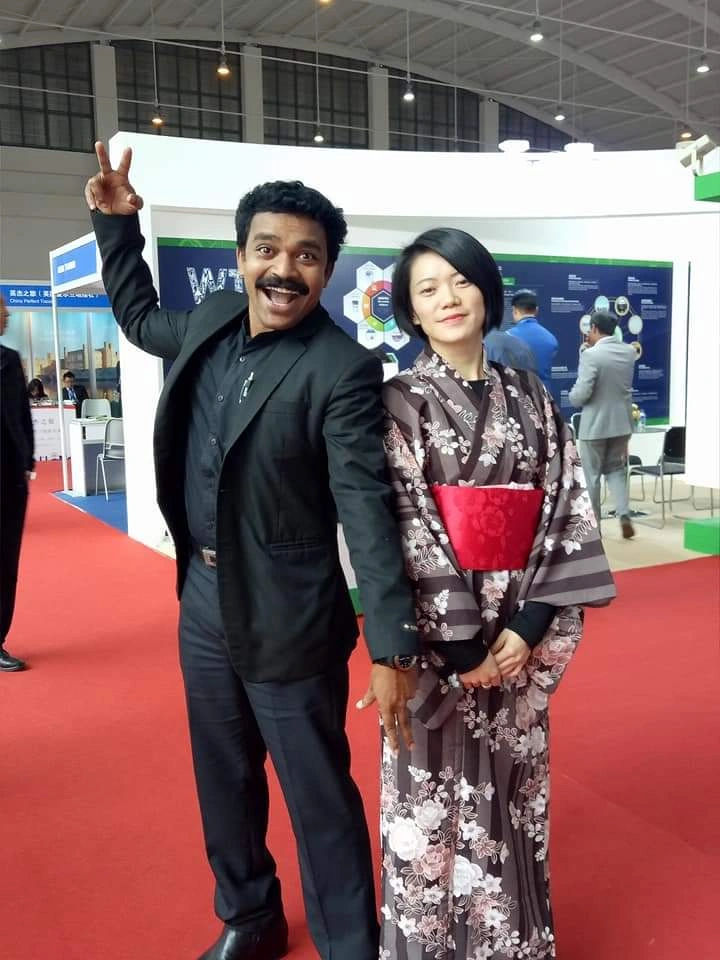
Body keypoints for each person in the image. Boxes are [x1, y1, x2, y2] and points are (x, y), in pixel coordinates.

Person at [84, 142, 419, 960]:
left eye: (306, 256)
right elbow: (138, 317)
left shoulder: (342, 369)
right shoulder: (208, 321)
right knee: (223, 774)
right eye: (267, 250)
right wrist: (117, 227)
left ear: (328, 270)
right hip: (203, 600)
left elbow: (365, 509)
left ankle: (351, 945)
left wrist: (390, 645)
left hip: (290, 616)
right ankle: (249, 916)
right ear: (241, 258)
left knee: (316, 794)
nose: (284, 270)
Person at [371, 228, 615, 959]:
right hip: (438, 635)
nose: (448, 298)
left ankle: (514, 944)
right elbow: (402, 520)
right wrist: (460, 643)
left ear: (486, 290)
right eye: (428, 288)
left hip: (517, 630)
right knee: (430, 801)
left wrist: (532, 623)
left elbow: (567, 504)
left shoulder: (532, 396)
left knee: (513, 794)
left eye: (461, 281)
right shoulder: (398, 402)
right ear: (410, 310)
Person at [569, 310, 637, 540]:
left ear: (595, 329)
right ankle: (624, 514)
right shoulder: (629, 351)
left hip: (595, 426)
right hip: (622, 423)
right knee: (616, 470)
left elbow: (582, 393)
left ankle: (594, 527)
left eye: (590, 329)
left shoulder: (591, 355)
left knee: (592, 476)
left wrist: (571, 397)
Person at [0, 293, 34, 672]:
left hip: (10, 479)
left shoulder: (9, 361)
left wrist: (27, 461)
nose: (6, 314)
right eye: (1, 309)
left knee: (6, 562)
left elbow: (22, 414)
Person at [507, 289, 558, 388]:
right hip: (544, 394)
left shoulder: (507, 337)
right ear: (536, 310)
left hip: (518, 393)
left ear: (515, 310)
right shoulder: (551, 338)